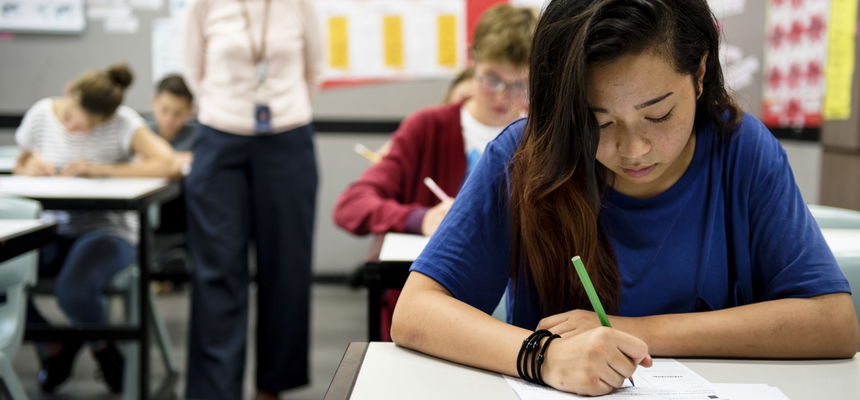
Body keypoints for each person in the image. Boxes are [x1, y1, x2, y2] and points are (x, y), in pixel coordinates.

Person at [390, 0, 859, 396]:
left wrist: (633, 330)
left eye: (659, 115)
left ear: (698, 72)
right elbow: (415, 313)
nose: (633, 150)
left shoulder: (740, 151)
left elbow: (833, 324)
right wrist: (544, 358)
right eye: (598, 121)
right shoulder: (524, 157)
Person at [332, 4, 537, 341]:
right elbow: (351, 205)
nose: (505, 96)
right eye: (492, 80)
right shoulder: (428, 128)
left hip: (522, 322)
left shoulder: (540, 135)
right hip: (435, 319)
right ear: (471, 60)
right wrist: (420, 219)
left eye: (520, 84)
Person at [182, 0, 322, 399]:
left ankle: (272, 388)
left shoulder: (300, 5)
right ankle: (215, 391)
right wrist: (231, 110)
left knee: (287, 270)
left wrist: (277, 106)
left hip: (287, 137)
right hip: (219, 136)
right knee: (217, 271)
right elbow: (194, 71)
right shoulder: (204, 5)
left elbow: (315, 70)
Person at [15, 63, 176, 393]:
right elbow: (21, 161)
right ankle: (57, 344)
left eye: (85, 126)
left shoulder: (124, 123)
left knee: (74, 290)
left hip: (107, 230)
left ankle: (99, 347)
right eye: (71, 118)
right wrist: (30, 166)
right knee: (6, 269)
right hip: (53, 227)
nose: (73, 129)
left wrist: (101, 170)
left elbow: (169, 164)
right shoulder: (42, 115)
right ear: (69, 92)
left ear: (105, 121)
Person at [149, 73, 195, 173]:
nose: (168, 120)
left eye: (177, 114)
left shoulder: (199, 137)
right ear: (154, 102)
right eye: (164, 110)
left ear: (190, 110)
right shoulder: (142, 132)